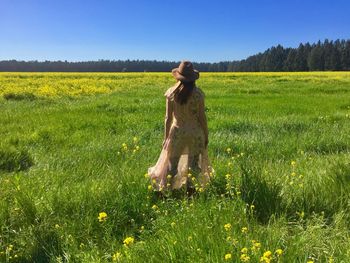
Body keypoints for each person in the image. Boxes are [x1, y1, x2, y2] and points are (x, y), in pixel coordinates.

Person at [148, 61, 212, 193]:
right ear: (193, 78)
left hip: (177, 133)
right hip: (195, 133)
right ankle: (191, 192)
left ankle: (167, 192)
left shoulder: (171, 93)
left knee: (172, 165)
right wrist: (206, 135)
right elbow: (202, 118)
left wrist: (166, 138)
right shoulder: (198, 94)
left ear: (178, 76)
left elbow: (168, 119)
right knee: (194, 166)